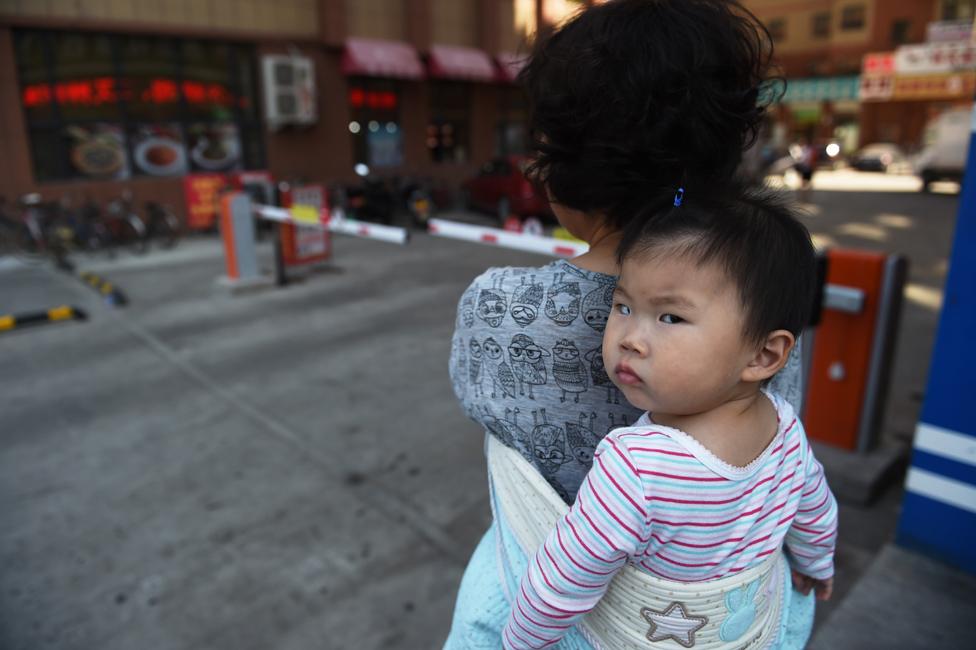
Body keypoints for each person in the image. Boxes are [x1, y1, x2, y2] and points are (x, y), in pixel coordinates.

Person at [445, 1, 805, 647]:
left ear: (564, 162)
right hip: (727, 610)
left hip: (544, 603)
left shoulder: (498, 305)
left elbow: (485, 406)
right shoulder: (759, 307)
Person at [501, 187, 837, 649]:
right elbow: (814, 509)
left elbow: (565, 579)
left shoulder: (636, 466)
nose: (630, 338)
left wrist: (519, 642)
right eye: (623, 306)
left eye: (671, 318)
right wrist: (816, 563)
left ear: (764, 354)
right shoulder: (785, 429)